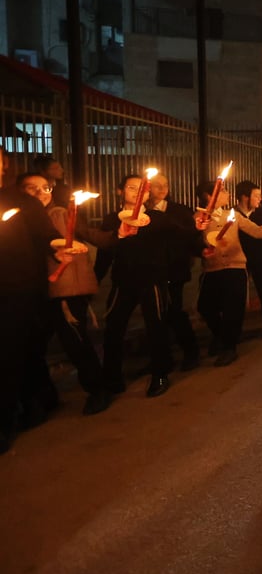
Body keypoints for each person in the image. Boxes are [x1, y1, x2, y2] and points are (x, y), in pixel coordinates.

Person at [1, 146, 79, 452]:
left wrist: (57, 248)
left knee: (10, 355)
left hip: (17, 291)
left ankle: (8, 419)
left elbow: (45, 236)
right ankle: (34, 403)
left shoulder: (21, 203)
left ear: (3, 165)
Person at [19, 172, 117, 415]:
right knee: (33, 346)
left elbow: (76, 238)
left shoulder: (57, 215)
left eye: (45, 188)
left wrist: (118, 235)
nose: (41, 193)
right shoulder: (25, 218)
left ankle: (98, 389)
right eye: (32, 189)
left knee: (75, 342)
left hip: (64, 291)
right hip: (40, 291)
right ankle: (44, 397)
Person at [95, 174, 180, 399]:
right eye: (131, 187)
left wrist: (200, 234)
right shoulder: (113, 219)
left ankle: (160, 375)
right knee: (113, 327)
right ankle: (112, 378)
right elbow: (105, 252)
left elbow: (184, 236)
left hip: (152, 280)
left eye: (141, 188)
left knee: (156, 327)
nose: (136, 191)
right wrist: (95, 279)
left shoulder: (157, 218)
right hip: (123, 281)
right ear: (120, 191)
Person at [194, 181, 262, 366]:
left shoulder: (232, 215)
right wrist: (200, 245)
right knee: (205, 307)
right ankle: (222, 337)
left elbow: (257, 231)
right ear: (209, 197)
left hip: (235, 267)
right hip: (212, 269)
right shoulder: (199, 218)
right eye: (223, 191)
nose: (227, 193)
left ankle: (229, 348)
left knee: (232, 309)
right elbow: (192, 241)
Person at [145, 173, 203, 371]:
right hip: (149, 272)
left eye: (166, 185)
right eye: (156, 185)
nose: (162, 189)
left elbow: (191, 237)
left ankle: (191, 352)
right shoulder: (141, 211)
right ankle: (162, 359)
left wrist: (201, 250)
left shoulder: (179, 211)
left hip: (172, 270)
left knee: (174, 312)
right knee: (155, 316)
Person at [234, 180, 262, 339]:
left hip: (260, 258)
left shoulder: (261, 213)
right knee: (238, 295)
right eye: (257, 196)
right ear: (245, 197)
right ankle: (235, 331)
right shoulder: (233, 215)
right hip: (239, 260)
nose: (260, 199)